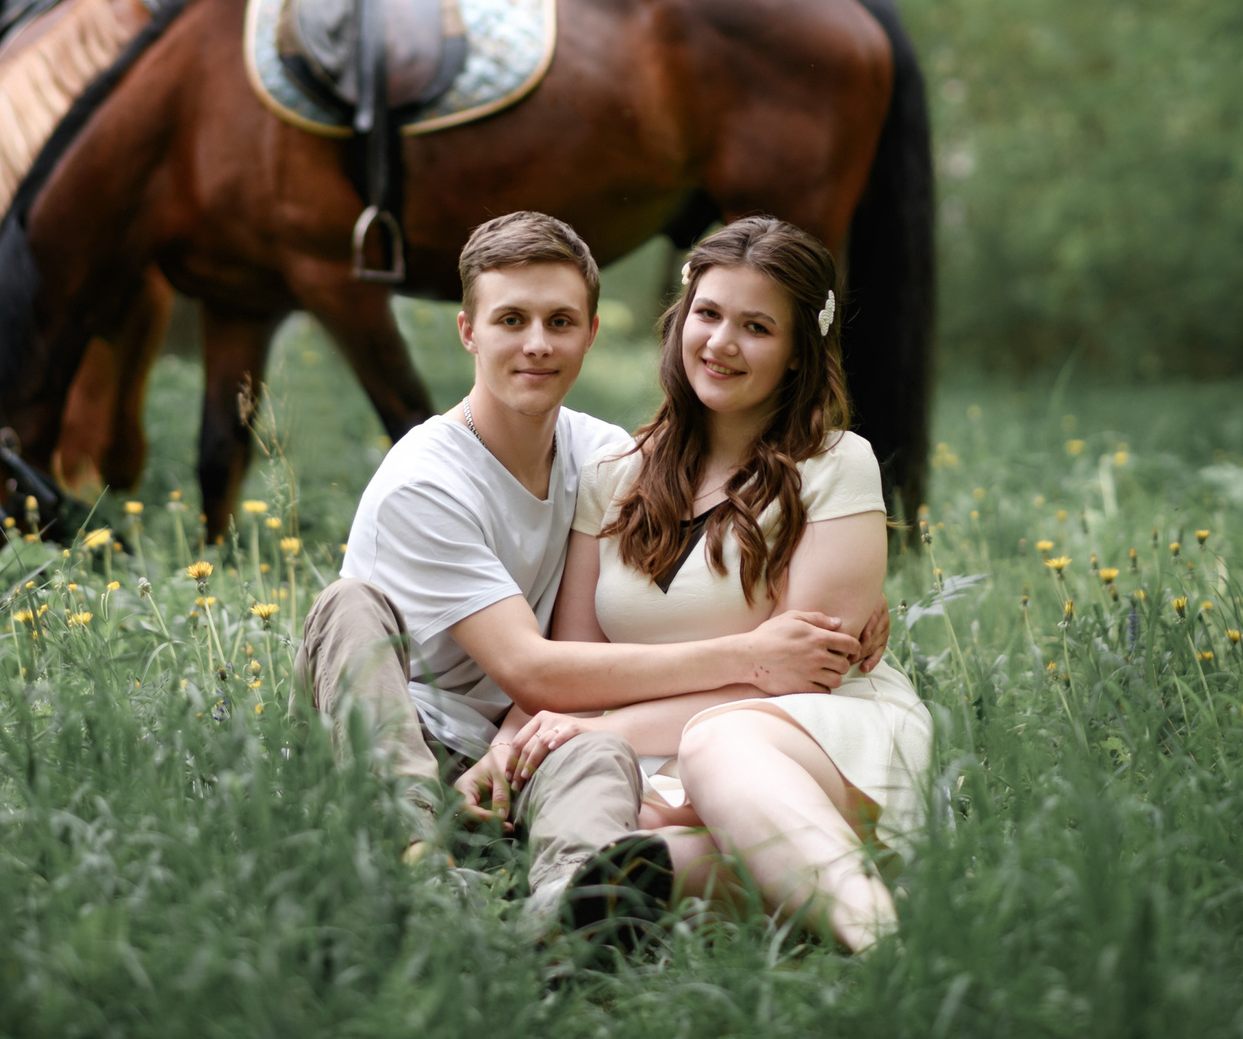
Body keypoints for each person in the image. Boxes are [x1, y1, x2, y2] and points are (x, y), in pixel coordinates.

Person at [293, 211, 887, 940]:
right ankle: (415, 859)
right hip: (423, 735)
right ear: (468, 331)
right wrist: (755, 654)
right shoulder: (427, 481)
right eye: (511, 319)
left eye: (560, 321)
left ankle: (566, 915)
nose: (537, 344)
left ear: (591, 332)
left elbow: (579, 665)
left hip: (538, 738)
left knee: (599, 753)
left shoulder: (604, 457)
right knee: (348, 603)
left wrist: (858, 596)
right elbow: (537, 668)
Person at [453, 216, 930, 953]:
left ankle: (884, 945)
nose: (721, 343)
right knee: (623, 841)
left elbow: (803, 678)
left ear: (799, 353)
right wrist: (511, 746)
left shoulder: (837, 465)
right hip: (656, 751)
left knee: (718, 744)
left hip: (815, 741)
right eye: (708, 314)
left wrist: (607, 730)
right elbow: (576, 666)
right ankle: (642, 895)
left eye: (757, 327)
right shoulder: (615, 474)